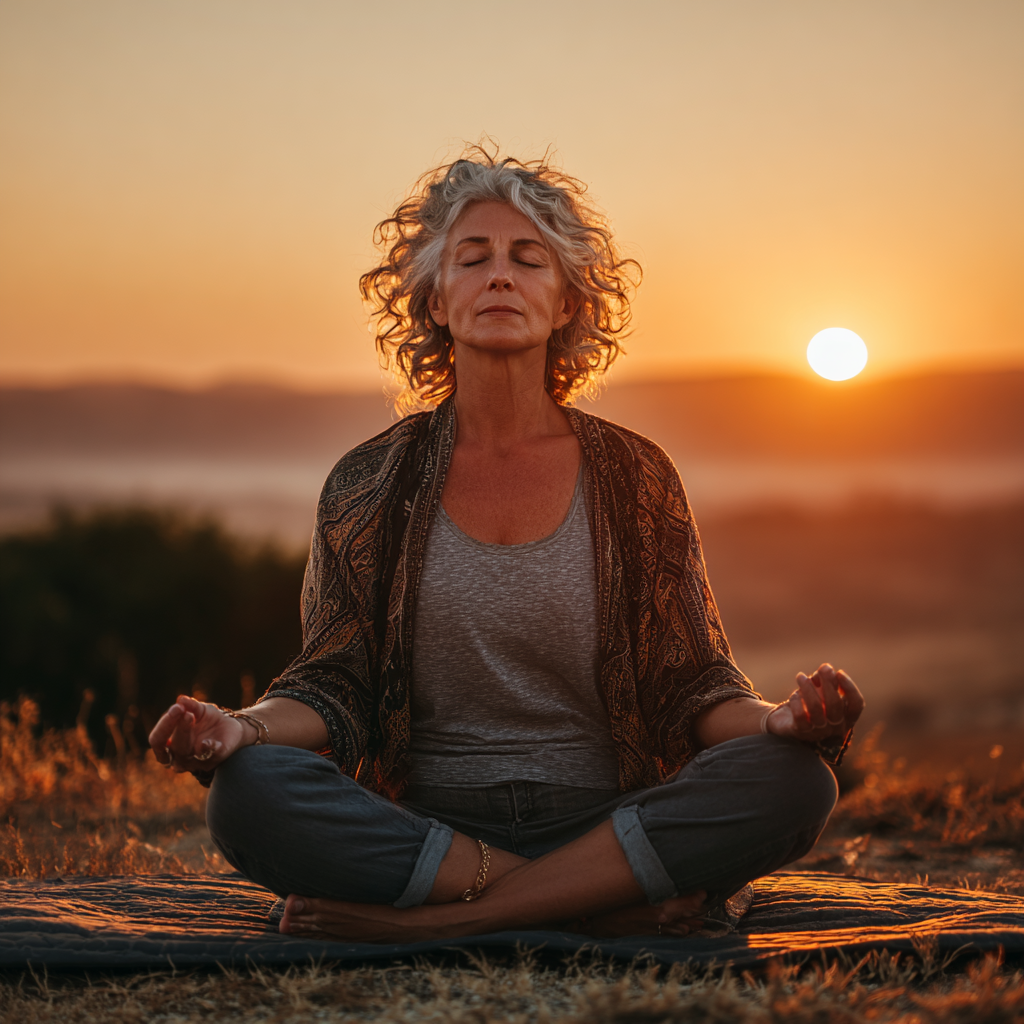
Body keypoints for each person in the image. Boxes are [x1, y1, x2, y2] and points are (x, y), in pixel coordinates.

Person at [149, 148, 863, 942]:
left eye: (529, 260)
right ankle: (596, 905)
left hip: (607, 817)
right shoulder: (369, 482)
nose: (500, 276)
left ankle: (433, 926)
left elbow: (691, 687)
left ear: (565, 304)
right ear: (436, 299)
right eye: (473, 258)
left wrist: (780, 724)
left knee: (797, 780)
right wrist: (239, 727)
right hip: (433, 830)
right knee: (247, 793)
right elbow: (331, 686)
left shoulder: (635, 475)